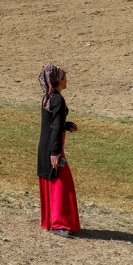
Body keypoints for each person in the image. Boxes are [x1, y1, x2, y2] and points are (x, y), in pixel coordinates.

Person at [37, 63, 80, 238]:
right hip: (53, 148)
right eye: (64, 77)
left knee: (56, 183)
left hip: (46, 145)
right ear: (57, 80)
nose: (66, 79)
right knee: (61, 185)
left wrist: (65, 125)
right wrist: (55, 153)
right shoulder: (57, 99)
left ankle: (53, 221)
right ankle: (59, 224)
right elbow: (54, 126)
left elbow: (53, 123)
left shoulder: (48, 98)